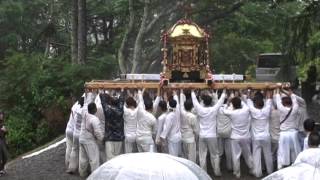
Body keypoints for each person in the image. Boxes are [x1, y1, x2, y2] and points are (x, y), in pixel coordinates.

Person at [191, 89, 226, 176]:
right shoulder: (213, 109)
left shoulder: (200, 109)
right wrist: (224, 91)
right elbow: (220, 102)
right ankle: (217, 172)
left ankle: (203, 173)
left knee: (202, 155)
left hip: (202, 135)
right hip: (212, 136)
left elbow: (195, 102)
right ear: (211, 102)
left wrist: (192, 91)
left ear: (203, 101)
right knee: (215, 154)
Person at [223, 96, 254, 178]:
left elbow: (224, 110)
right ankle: (251, 169)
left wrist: (228, 102)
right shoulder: (246, 110)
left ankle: (237, 173)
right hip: (245, 136)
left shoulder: (231, 112)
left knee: (235, 155)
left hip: (235, 137)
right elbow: (244, 104)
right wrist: (239, 96)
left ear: (233, 105)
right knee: (248, 154)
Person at [246, 91, 273, 177]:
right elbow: (269, 100)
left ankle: (258, 173)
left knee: (256, 155)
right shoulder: (266, 110)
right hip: (266, 136)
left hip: (256, 137)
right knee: (268, 154)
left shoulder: (253, 111)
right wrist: (267, 89)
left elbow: (248, 100)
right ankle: (270, 171)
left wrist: (249, 91)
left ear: (256, 105)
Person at [275, 89, 301, 170]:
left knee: (282, 152)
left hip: (284, 134)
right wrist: (291, 94)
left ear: (283, 103)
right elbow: (295, 100)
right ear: (291, 102)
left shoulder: (281, 109)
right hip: (293, 133)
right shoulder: (295, 108)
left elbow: (278, 101)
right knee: (295, 151)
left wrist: (278, 91)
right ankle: (295, 166)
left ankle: (281, 167)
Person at [78, 103, 104, 177]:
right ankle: (95, 177)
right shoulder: (94, 119)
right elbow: (97, 132)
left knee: (83, 158)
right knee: (94, 159)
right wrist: (102, 139)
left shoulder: (85, 114)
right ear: (95, 109)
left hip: (81, 138)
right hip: (89, 141)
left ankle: (82, 173)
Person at [103, 90, 125, 161]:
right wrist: (122, 91)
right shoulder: (120, 111)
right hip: (119, 138)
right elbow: (121, 101)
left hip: (109, 137)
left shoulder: (107, 110)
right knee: (118, 158)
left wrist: (102, 92)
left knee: (109, 158)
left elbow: (103, 102)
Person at [160, 91, 182, 157]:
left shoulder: (169, 116)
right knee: (177, 154)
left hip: (172, 138)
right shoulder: (178, 110)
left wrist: (162, 137)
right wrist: (175, 94)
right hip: (178, 136)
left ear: (168, 105)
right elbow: (177, 102)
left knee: (173, 156)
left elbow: (167, 128)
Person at [180, 90, 199, 163]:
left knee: (185, 156)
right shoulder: (193, 116)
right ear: (192, 107)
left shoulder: (182, 112)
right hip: (190, 139)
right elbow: (196, 130)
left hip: (183, 137)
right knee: (192, 157)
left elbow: (181, 104)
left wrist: (181, 92)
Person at [66, 97, 84, 173]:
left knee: (73, 149)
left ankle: (70, 166)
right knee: (82, 153)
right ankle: (81, 170)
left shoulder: (76, 108)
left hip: (74, 132)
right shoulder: (85, 111)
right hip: (81, 134)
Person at [0, 111, 8, 176]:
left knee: (5, 156)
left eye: (2, 115)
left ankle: (1, 169)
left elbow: (6, 132)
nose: (2, 116)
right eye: (0, 115)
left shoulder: (2, 123)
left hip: (3, 140)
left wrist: (5, 130)